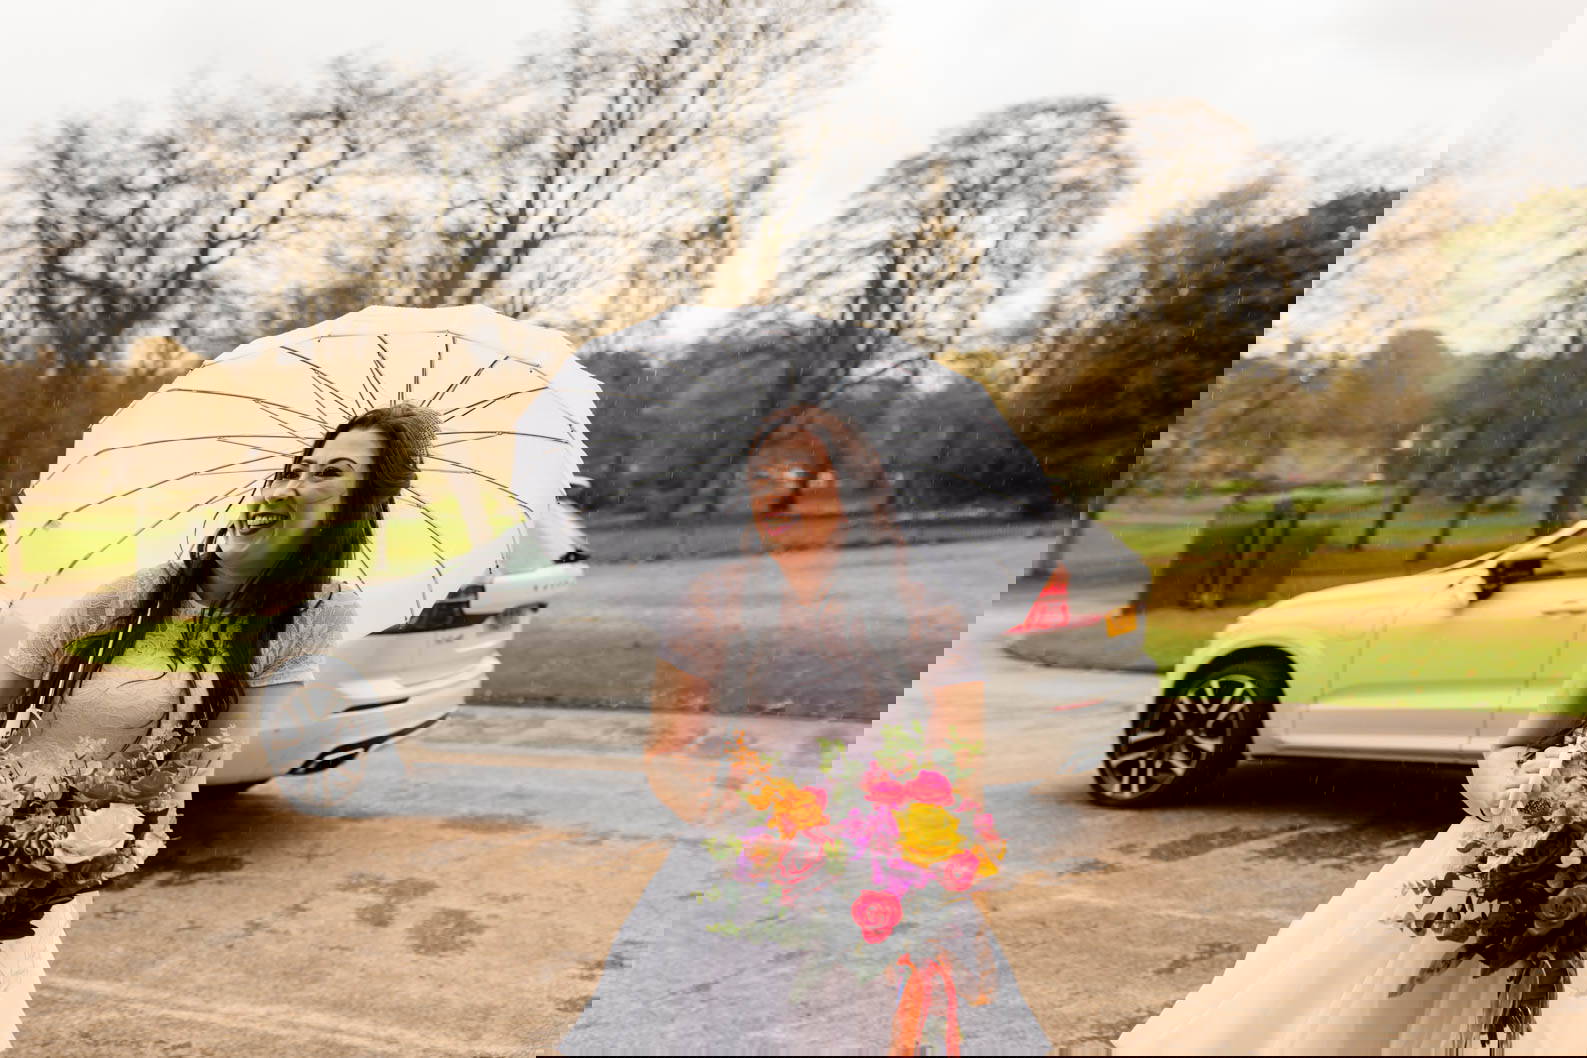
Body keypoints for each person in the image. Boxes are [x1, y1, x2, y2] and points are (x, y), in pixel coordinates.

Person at [561, 407, 1041, 1056]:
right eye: (765, 477)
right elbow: (669, 744)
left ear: (851, 491)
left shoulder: (921, 606)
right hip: (756, 862)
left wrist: (917, 827)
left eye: (808, 476)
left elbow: (956, 745)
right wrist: (731, 810)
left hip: (879, 865)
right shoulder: (712, 602)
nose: (785, 493)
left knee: (877, 1020)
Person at [0, 402, 440, 946]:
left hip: (61, 835)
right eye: (297, 468)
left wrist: (73, 826)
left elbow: (190, 760)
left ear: (361, 506)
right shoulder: (157, 586)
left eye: (330, 474)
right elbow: (17, 679)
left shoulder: (313, 615)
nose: (295, 485)